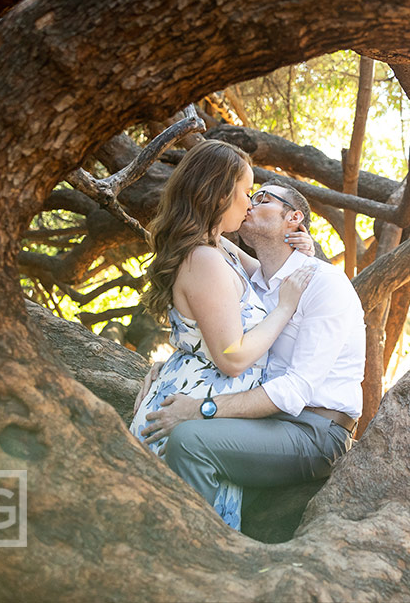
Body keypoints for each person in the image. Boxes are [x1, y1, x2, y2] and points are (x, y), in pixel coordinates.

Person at [136, 179, 366, 529]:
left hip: (315, 429)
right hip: (266, 421)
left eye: (261, 198)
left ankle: (197, 553)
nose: (248, 203)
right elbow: (216, 332)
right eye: (248, 195)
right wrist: (165, 366)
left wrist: (201, 410)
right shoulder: (254, 281)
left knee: (188, 440)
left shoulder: (325, 283)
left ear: (293, 219)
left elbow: (297, 387)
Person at [130, 140, 316, 528]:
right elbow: (231, 358)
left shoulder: (222, 250)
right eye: (245, 193)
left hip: (208, 414)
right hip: (189, 420)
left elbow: (272, 272)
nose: (249, 204)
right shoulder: (205, 261)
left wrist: (302, 246)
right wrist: (284, 309)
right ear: (217, 195)